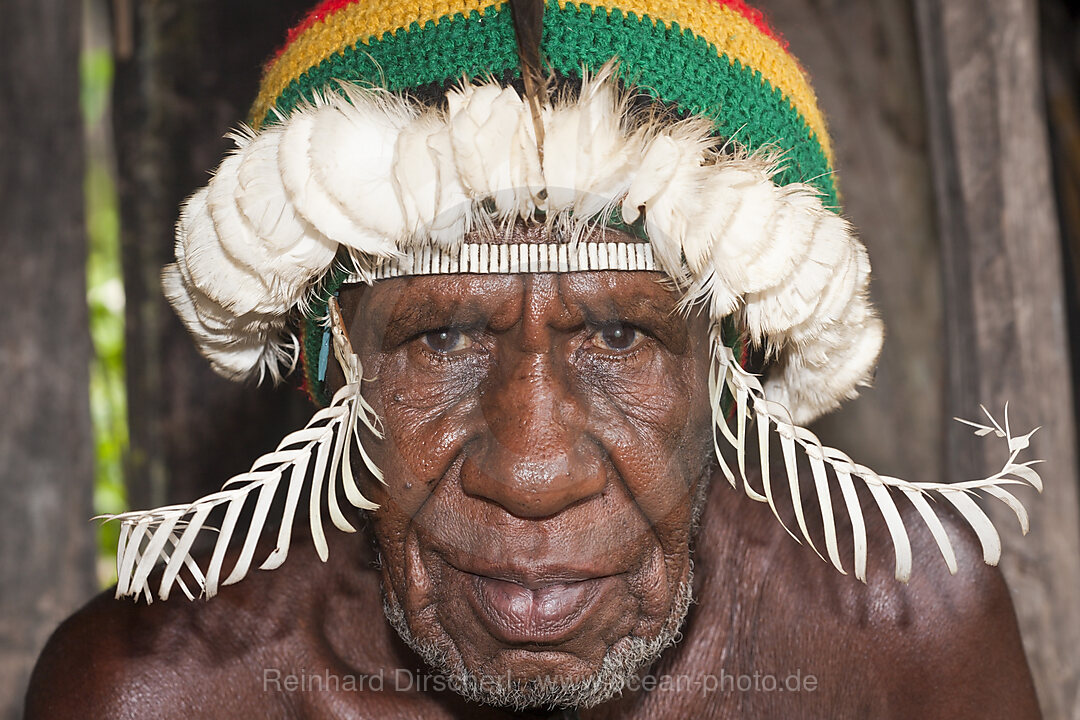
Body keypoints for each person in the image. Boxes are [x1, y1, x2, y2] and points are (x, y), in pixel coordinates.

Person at [27, 0, 1043, 717]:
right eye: (442, 338)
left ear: (731, 364)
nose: (531, 467)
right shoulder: (163, 694)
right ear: (330, 371)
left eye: (620, 335)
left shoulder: (904, 645)